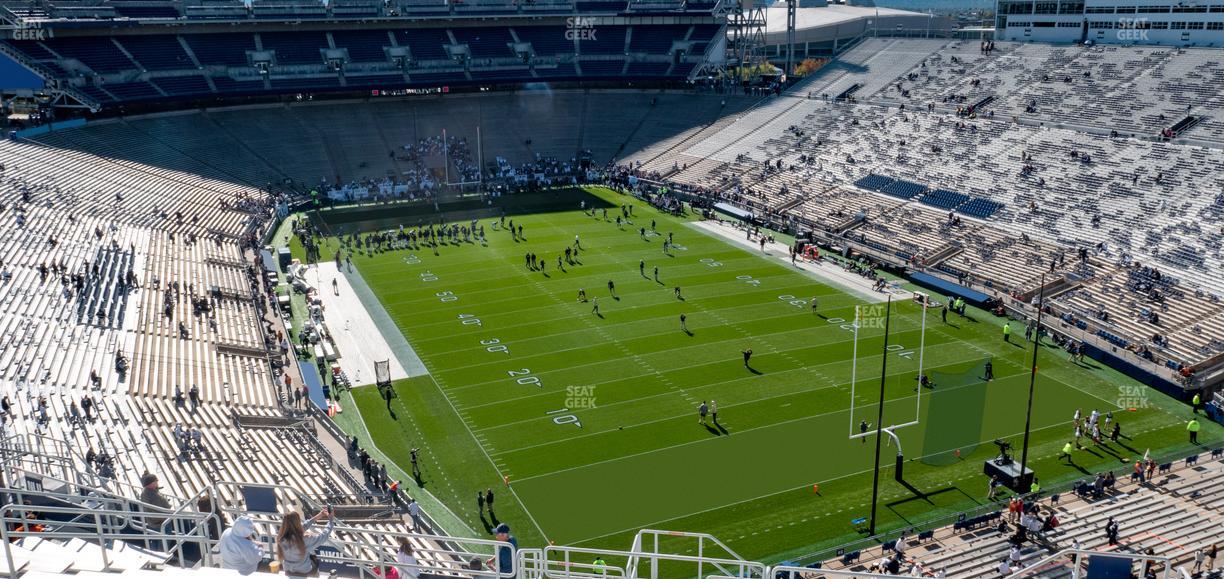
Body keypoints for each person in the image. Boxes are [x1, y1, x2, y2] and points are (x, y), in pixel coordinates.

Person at [276, 509, 336, 576]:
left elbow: (299, 529)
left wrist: (318, 516)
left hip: (288, 570)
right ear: (298, 522)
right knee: (314, 559)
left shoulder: (281, 538)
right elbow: (324, 536)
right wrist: (330, 520)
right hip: (303, 570)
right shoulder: (305, 539)